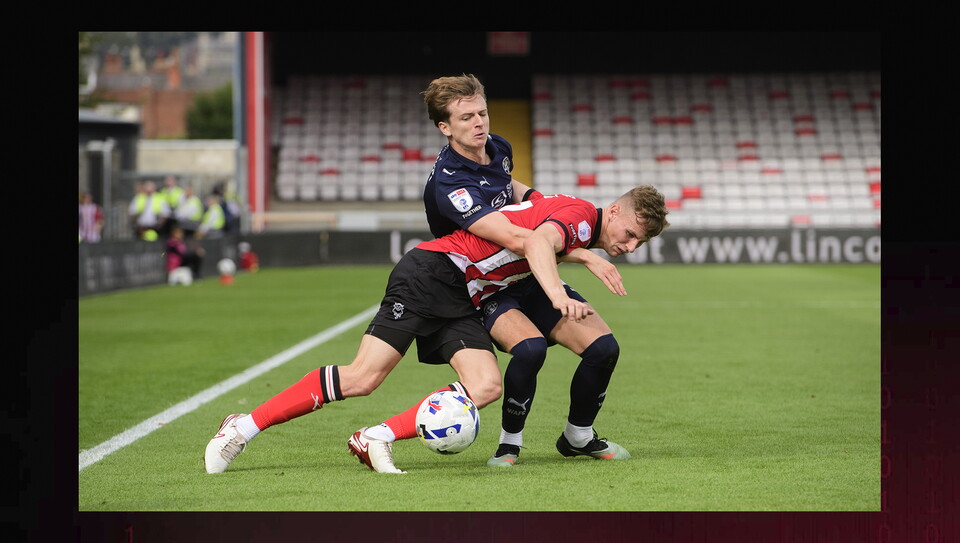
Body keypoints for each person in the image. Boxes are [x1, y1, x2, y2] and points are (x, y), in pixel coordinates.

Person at [203, 186, 668, 475]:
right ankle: (242, 426)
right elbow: (541, 241)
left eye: (638, 243)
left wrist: (583, 253)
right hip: (430, 273)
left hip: (467, 294)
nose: (629, 246)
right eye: (629, 235)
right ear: (614, 210)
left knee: (484, 386)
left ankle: (376, 436)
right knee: (363, 378)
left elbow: (532, 205)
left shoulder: (578, 220)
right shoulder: (582, 216)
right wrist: (558, 293)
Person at [419, 74, 637, 466]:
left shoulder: (496, 147)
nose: (480, 123)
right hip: (483, 282)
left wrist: (539, 200)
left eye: (482, 112)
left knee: (604, 349)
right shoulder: (450, 187)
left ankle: (578, 437)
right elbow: (517, 239)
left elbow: (511, 188)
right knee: (530, 348)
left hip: (524, 271)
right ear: (445, 127)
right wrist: (582, 253)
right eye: (467, 117)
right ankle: (509, 444)